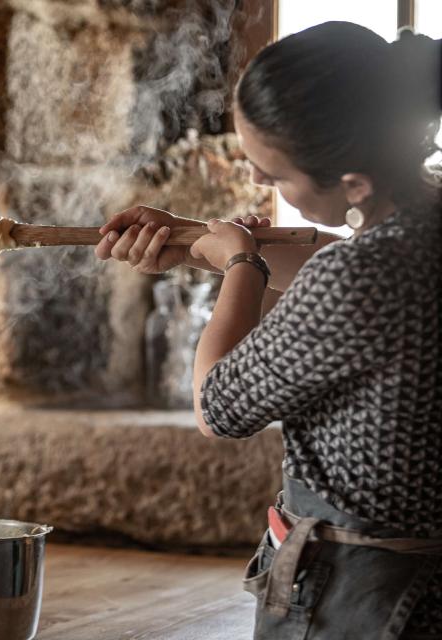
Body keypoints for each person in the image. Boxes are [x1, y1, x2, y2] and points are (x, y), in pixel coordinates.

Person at [95, 21, 442, 639]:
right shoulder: (420, 228)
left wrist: (240, 265)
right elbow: (354, 283)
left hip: (362, 595)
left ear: (353, 184)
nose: (257, 184)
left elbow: (216, 406)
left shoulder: (355, 276)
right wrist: (200, 241)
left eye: (274, 176)